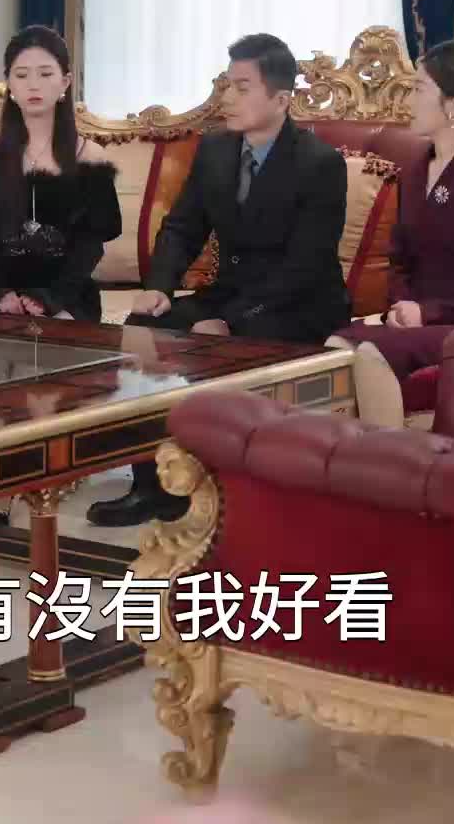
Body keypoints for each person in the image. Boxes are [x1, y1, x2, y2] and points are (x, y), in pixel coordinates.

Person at [87, 32, 350, 527]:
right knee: (145, 327)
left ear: (281, 100)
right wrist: (159, 287)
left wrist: (229, 321)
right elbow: (182, 227)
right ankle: (153, 487)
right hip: (231, 293)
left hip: (296, 305)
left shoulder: (319, 164)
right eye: (228, 84)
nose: (227, 97)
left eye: (242, 87)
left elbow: (306, 265)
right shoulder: (216, 150)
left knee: (239, 339)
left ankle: (239, 495)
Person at [329, 39, 454, 427]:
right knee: (336, 343)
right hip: (416, 319)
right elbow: (399, 257)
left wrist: (429, 312)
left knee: (369, 351)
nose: (408, 101)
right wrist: (403, 304)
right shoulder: (416, 170)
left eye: (419, 89)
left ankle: (390, 459)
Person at [0, 25, 121, 322]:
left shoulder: (90, 157)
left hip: (68, 294)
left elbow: (89, 246)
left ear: (65, 82)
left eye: (46, 74)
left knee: (60, 330)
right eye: (22, 75)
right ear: (9, 84)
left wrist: (52, 299)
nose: (33, 85)